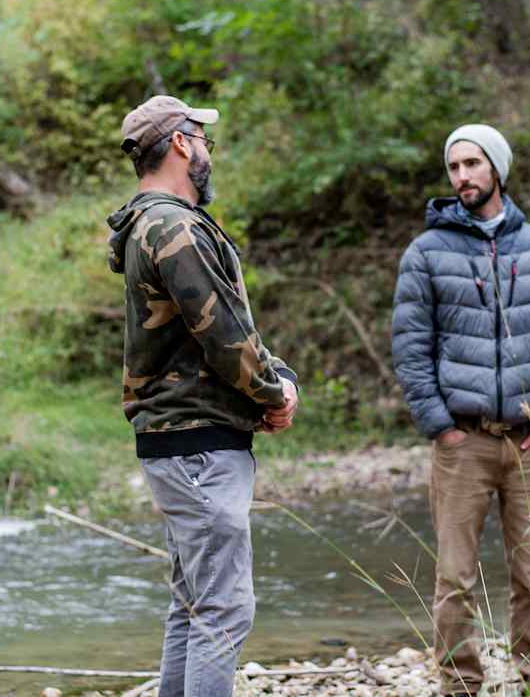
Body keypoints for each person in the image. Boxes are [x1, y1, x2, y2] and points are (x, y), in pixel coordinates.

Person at [106, 94, 300, 697]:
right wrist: (274, 393)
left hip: (183, 440)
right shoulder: (175, 227)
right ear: (182, 144)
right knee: (223, 609)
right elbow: (223, 336)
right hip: (197, 444)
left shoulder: (155, 224)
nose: (208, 151)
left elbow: (219, 332)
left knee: (194, 604)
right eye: (202, 138)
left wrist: (268, 380)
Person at [391, 123, 530, 696]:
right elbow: (410, 347)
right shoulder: (427, 253)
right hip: (464, 441)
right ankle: (459, 684)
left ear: (497, 169)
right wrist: (440, 427)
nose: (462, 177)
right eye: (454, 168)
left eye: (473, 164)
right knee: (454, 576)